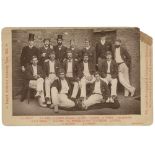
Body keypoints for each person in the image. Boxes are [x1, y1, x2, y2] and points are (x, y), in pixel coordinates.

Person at [20, 33, 40, 101]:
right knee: (25, 80)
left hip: (33, 67)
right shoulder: (25, 48)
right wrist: (22, 66)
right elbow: (22, 58)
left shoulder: (36, 49)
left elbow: (38, 59)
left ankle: (32, 95)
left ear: (33, 42)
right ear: (28, 41)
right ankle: (23, 96)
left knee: (32, 79)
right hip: (26, 66)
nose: (31, 42)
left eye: (32, 41)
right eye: (30, 41)